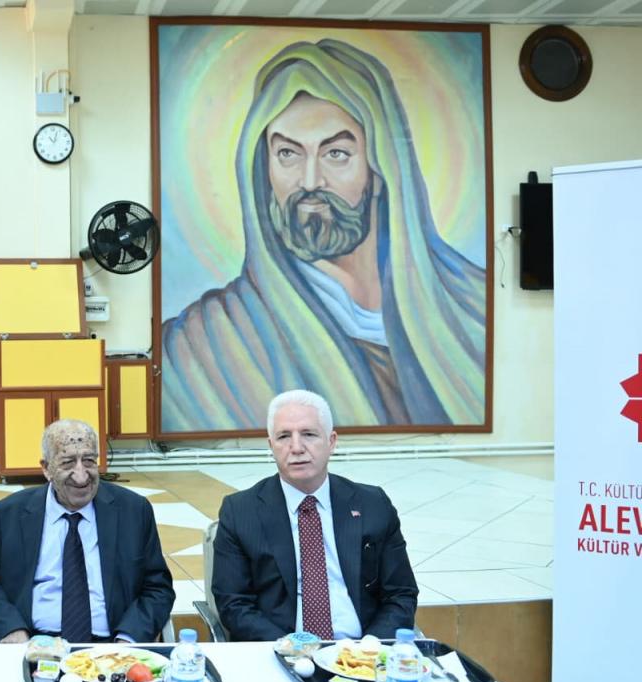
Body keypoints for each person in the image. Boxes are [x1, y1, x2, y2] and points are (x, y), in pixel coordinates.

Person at [161, 39, 487, 432]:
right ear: (262, 172)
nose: (311, 181)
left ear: (381, 170)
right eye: (288, 154)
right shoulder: (203, 347)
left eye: (336, 154)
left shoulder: (473, 308)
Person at [212, 389, 418, 641]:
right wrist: (291, 648)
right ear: (271, 446)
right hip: (280, 648)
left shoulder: (373, 504)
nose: (297, 447)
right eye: (284, 436)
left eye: (309, 434)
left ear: (331, 442)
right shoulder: (240, 511)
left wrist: (369, 647)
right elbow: (233, 605)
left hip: (362, 649)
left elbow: (401, 594)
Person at [0, 419, 176, 644]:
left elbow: (157, 587)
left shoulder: (133, 511)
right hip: (33, 643)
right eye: (67, 463)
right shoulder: (7, 515)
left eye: (89, 461)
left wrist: (128, 637)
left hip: (111, 648)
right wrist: (11, 629)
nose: (81, 475)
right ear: (46, 468)